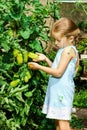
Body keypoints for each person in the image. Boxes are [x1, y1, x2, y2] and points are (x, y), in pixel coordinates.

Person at [28, 17, 80, 130]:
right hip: (58, 91)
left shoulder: (68, 51)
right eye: (54, 40)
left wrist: (39, 67)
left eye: (58, 40)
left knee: (63, 124)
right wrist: (46, 59)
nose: (56, 43)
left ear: (70, 38)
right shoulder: (63, 49)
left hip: (62, 92)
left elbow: (58, 73)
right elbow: (57, 68)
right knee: (58, 123)